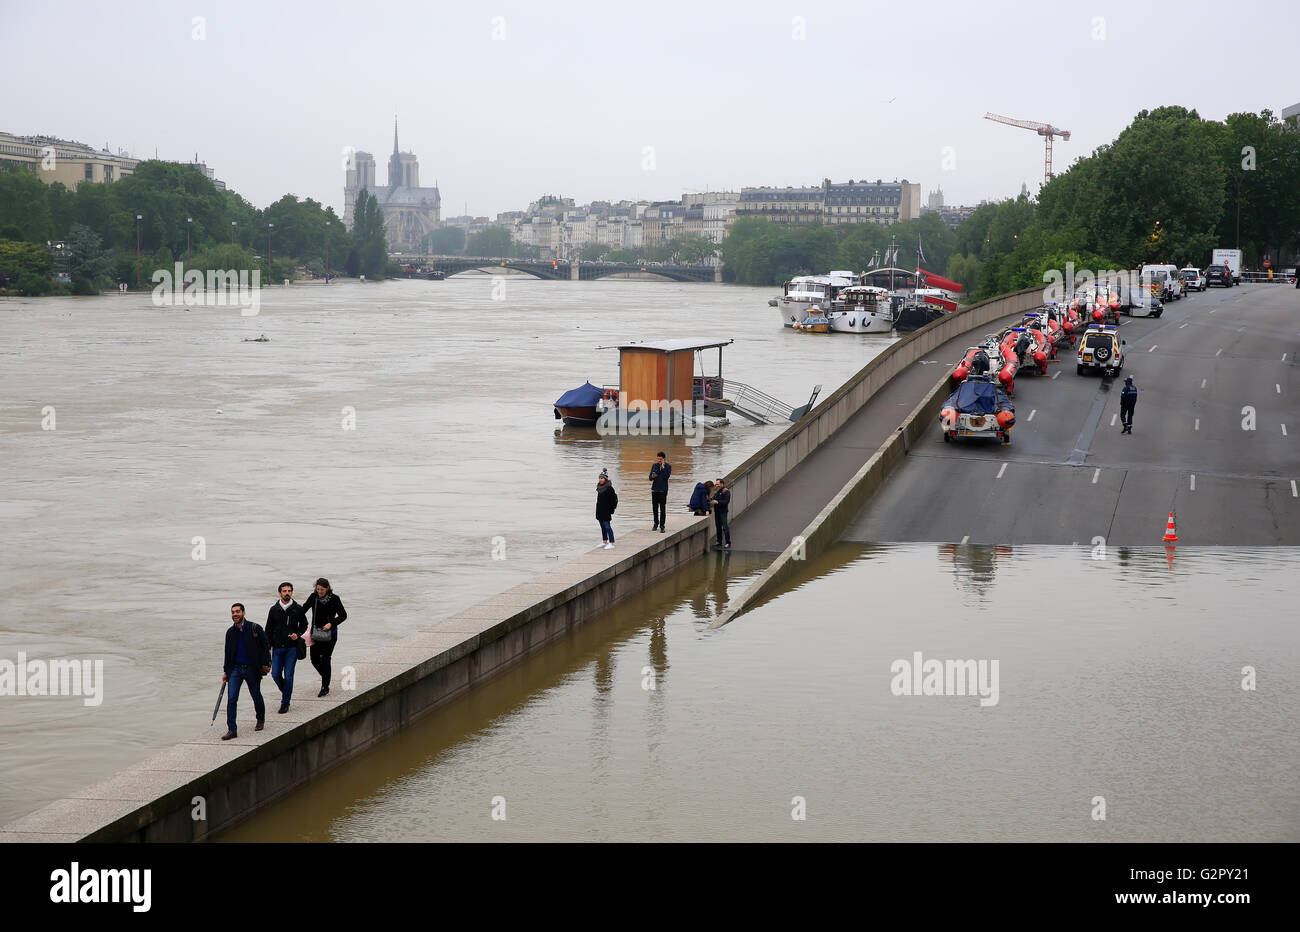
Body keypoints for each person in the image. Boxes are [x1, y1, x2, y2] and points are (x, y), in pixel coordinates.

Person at [222, 603, 271, 740]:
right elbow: (227, 653)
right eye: (233, 612)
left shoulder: (254, 628)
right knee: (231, 699)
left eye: (237, 612)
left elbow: (266, 646)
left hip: (252, 668)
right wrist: (226, 671)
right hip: (235, 670)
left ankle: (260, 719)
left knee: (256, 695)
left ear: (243, 612)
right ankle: (232, 729)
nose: (235, 614)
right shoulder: (230, 632)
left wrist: (266, 664)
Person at [266, 582, 307, 713]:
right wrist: (267, 647)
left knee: (289, 675)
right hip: (277, 647)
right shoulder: (274, 609)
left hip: (292, 648)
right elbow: (268, 629)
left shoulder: (297, 608)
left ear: (292, 592)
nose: (287, 593)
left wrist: (298, 634)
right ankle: (286, 692)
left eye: (289, 591)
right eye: (284, 591)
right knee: (275, 674)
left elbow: (304, 624)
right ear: (280, 593)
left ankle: (285, 702)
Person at [303, 577, 346, 697]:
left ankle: (325, 686)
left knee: (326, 659)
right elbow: (303, 610)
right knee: (314, 659)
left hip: (330, 635)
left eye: (322, 590)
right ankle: (326, 676)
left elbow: (343, 615)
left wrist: (331, 623)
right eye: (317, 589)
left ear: (327, 588)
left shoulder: (334, 599)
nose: (319, 592)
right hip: (315, 634)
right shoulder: (313, 597)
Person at [649, 451, 671, 532]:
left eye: (660, 459)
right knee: (655, 508)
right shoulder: (654, 465)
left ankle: (662, 526)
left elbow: (667, 477)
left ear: (664, 459)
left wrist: (663, 467)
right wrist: (652, 476)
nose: (659, 461)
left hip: (663, 490)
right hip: (655, 489)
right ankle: (655, 524)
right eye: (658, 459)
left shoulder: (668, 466)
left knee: (662, 508)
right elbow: (650, 478)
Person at [596, 468, 618, 549]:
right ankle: (604, 541)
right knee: (602, 527)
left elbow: (614, 500)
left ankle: (611, 542)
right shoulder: (599, 487)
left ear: (605, 479)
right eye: (600, 478)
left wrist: (612, 509)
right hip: (600, 510)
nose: (600, 480)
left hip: (606, 511)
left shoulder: (609, 488)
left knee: (607, 526)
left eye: (602, 478)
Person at [709, 477, 731, 551]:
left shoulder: (726, 491)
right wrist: (710, 500)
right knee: (718, 527)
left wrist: (717, 502)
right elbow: (713, 498)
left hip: (723, 512)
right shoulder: (718, 491)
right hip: (717, 512)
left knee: (725, 527)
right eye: (716, 484)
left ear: (722, 484)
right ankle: (719, 541)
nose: (716, 485)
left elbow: (726, 502)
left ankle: (728, 542)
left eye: (718, 484)